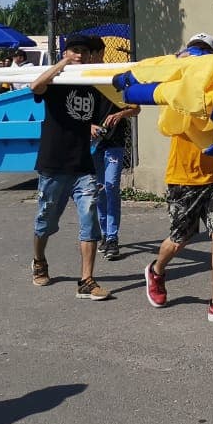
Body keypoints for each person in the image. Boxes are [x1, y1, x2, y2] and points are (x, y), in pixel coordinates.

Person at [143, 32, 213, 325]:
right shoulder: (178, 88)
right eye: (196, 51)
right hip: (183, 176)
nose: (200, 56)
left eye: (205, 52)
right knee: (180, 238)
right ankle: (156, 270)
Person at [29, 33, 111, 301]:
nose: (80, 55)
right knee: (46, 221)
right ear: (65, 52)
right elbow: (35, 87)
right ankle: (39, 259)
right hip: (53, 164)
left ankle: (86, 280)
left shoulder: (91, 85)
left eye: (84, 52)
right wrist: (61, 65)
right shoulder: (57, 82)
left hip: (82, 166)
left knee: (89, 218)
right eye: (74, 50)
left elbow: (91, 116)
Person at [89, 38, 139, 260]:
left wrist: (120, 114)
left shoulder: (115, 76)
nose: (88, 57)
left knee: (111, 185)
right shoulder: (82, 78)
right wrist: (88, 126)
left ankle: (112, 237)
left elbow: (135, 108)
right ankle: (102, 234)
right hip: (93, 143)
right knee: (99, 188)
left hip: (115, 141)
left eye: (92, 52)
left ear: (101, 52)